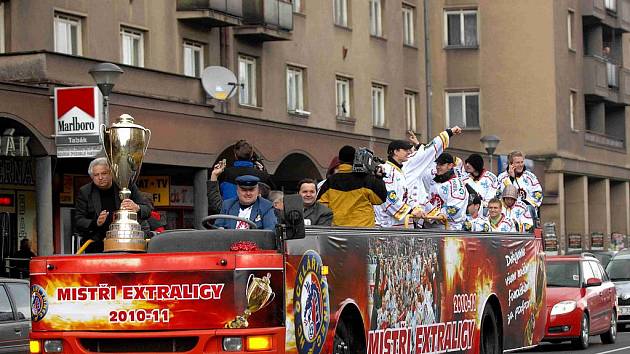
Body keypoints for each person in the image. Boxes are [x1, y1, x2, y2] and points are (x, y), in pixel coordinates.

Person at [74, 157, 152, 253]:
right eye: (96, 175)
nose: (100, 177)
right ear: (91, 177)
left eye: (104, 173)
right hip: (99, 243)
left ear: (112, 173)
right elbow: (78, 220)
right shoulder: (85, 192)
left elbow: (148, 209)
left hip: (131, 241)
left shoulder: (126, 185)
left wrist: (137, 207)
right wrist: (95, 222)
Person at [317, 145, 387, 227]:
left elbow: (321, 205)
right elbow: (380, 199)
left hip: (338, 230)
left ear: (339, 160)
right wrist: (379, 178)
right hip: (363, 229)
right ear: (355, 159)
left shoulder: (330, 181)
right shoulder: (366, 179)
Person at [374, 140, 424, 227]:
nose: (408, 152)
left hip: (400, 224)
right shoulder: (386, 169)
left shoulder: (398, 171)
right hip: (387, 225)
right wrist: (410, 211)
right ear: (395, 152)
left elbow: (405, 196)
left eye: (409, 150)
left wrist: (415, 207)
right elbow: (388, 196)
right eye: (405, 150)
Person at [421, 153, 468, 230]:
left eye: (441, 165)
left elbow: (454, 209)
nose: (438, 167)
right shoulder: (435, 181)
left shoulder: (456, 184)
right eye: (437, 164)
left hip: (449, 229)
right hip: (430, 227)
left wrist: (434, 215)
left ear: (450, 166)